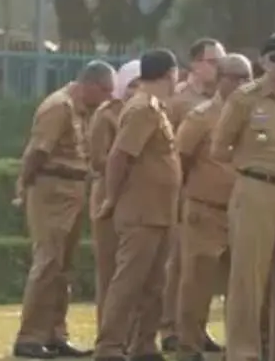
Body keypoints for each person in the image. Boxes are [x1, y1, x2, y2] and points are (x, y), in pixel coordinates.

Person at [212, 32, 275, 361]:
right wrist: (249, 170)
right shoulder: (245, 98)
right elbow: (219, 148)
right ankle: (244, 351)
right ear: (263, 62)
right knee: (249, 276)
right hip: (255, 189)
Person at [10, 61, 114, 359]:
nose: (107, 97)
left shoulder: (83, 110)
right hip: (53, 187)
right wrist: (25, 185)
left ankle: (55, 333)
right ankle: (29, 336)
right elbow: (38, 151)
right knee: (47, 262)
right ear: (89, 84)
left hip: (74, 187)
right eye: (104, 90)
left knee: (63, 267)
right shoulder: (60, 107)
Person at [91, 49, 181, 361]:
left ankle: (144, 344)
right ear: (171, 73)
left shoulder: (155, 107)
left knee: (154, 285)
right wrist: (112, 199)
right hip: (141, 212)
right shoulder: (142, 108)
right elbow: (120, 156)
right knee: (128, 282)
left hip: (159, 212)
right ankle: (110, 345)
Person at [172, 53, 251, 360]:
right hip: (206, 210)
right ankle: (188, 346)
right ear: (221, 79)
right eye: (236, 77)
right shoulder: (201, 116)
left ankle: (240, 347)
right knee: (197, 283)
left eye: (248, 78)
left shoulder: (254, 114)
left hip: (243, 211)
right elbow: (180, 160)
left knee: (242, 285)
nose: (244, 84)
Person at [158, 37, 226, 352]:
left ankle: (198, 329)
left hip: (221, 199)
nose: (218, 68)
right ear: (195, 64)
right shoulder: (179, 101)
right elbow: (170, 152)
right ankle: (171, 327)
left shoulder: (226, 101)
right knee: (180, 266)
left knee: (207, 270)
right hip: (188, 195)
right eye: (212, 61)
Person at [87, 59, 138, 334]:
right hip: (108, 196)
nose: (136, 90)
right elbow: (97, 160)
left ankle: (132, 333)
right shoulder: (106, 114)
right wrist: (128, 164)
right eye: (132, 84)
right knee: (109, 269)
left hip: (138, 199)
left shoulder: (149, 113)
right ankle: (108, 334)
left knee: (135, 270)